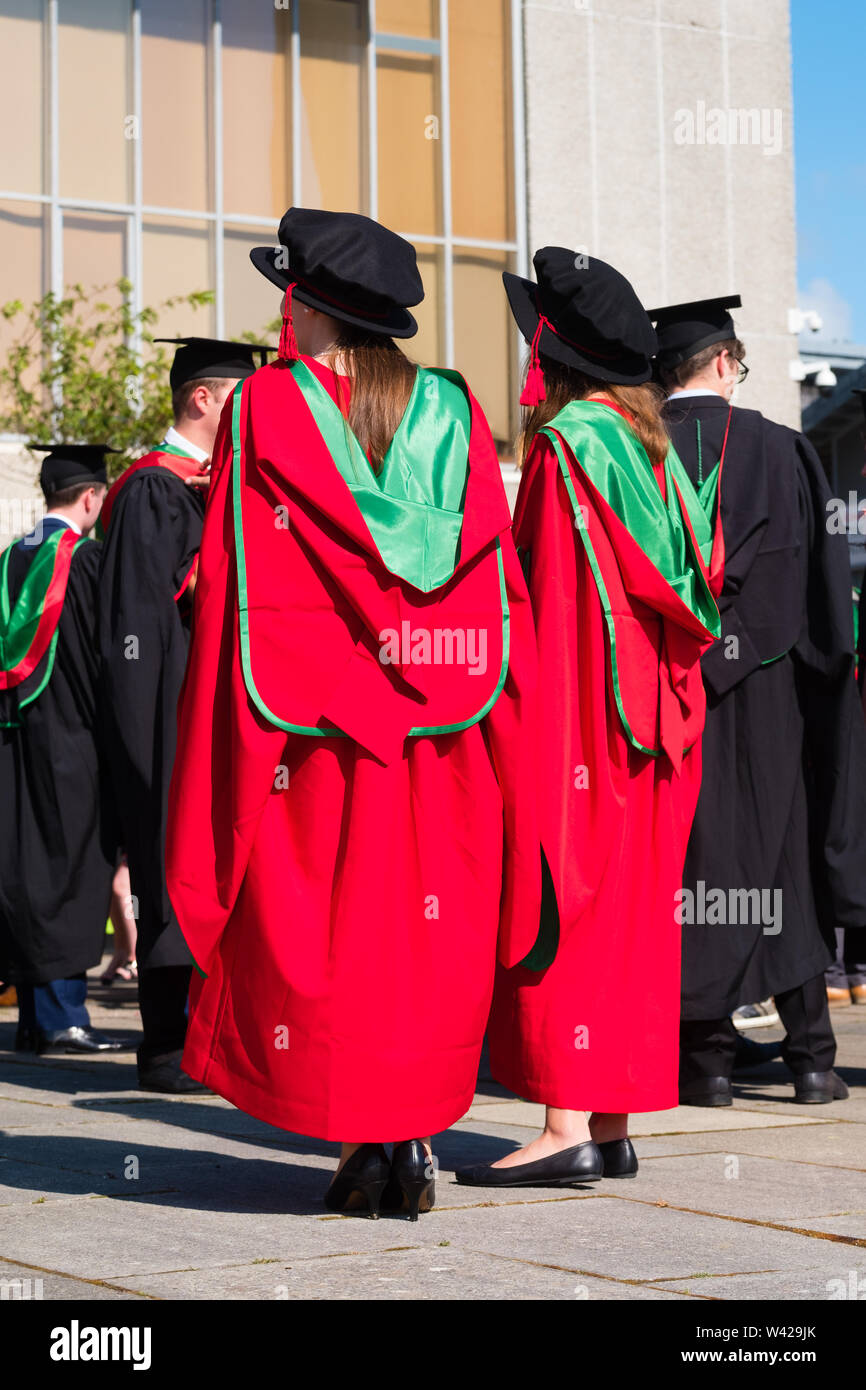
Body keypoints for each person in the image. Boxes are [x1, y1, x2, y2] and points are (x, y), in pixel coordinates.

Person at [165, 207, 542, 1218]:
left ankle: (361, 1141)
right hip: (440, 725)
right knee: (424, 937)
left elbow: (238, 576)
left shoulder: (262, 409)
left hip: (312, 730)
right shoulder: (454, 410)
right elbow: (493, 576)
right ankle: (404, 1136)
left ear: (303, 302)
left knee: (332, 935)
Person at [458, 250, 720, 1191]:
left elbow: (548, 596)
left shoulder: (571, 444)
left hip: (581, 720)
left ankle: (563, 1123)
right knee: (631, 921)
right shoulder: (655, 451)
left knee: (564, 901)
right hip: (658, 727)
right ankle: (609, 1122)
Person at [651, 294, 866, 1105]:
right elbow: (819, 589)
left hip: (671, 691)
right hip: (772, 689)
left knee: (699, 863)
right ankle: (811, 1058)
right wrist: (820, 677)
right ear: (722, 361)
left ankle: (705, 1064)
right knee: (780, 855)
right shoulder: (782, 448)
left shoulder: (636, 449)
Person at [98, 338, 272, 1093]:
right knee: (173, 860)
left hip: (215, 710)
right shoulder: (151, 490)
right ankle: (167, 1047)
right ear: (203, 398)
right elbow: (142, 625)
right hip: (169, 714)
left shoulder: (214, 483)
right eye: (242, 394)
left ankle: (214, 1040)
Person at [0, 445, 124, 1054]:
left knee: (26, 868)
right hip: (74, 746)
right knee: (69, 870)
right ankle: (62, 1018)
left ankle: (33, 1018)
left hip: (13, 744)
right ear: (91, 497)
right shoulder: (88, 561)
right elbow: (108, 664)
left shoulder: (8, 562)